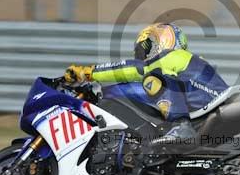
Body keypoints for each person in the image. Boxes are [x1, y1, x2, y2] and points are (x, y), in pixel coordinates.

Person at [64, 23, 229, 145]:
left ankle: (181, 126)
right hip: (206, 105)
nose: (143, 55)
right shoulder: (180, 65)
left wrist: (88, 72)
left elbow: (137, 69)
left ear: (165, 40)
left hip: (210, 101)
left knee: (153, 80)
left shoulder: (174, 56)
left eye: (148, 46)